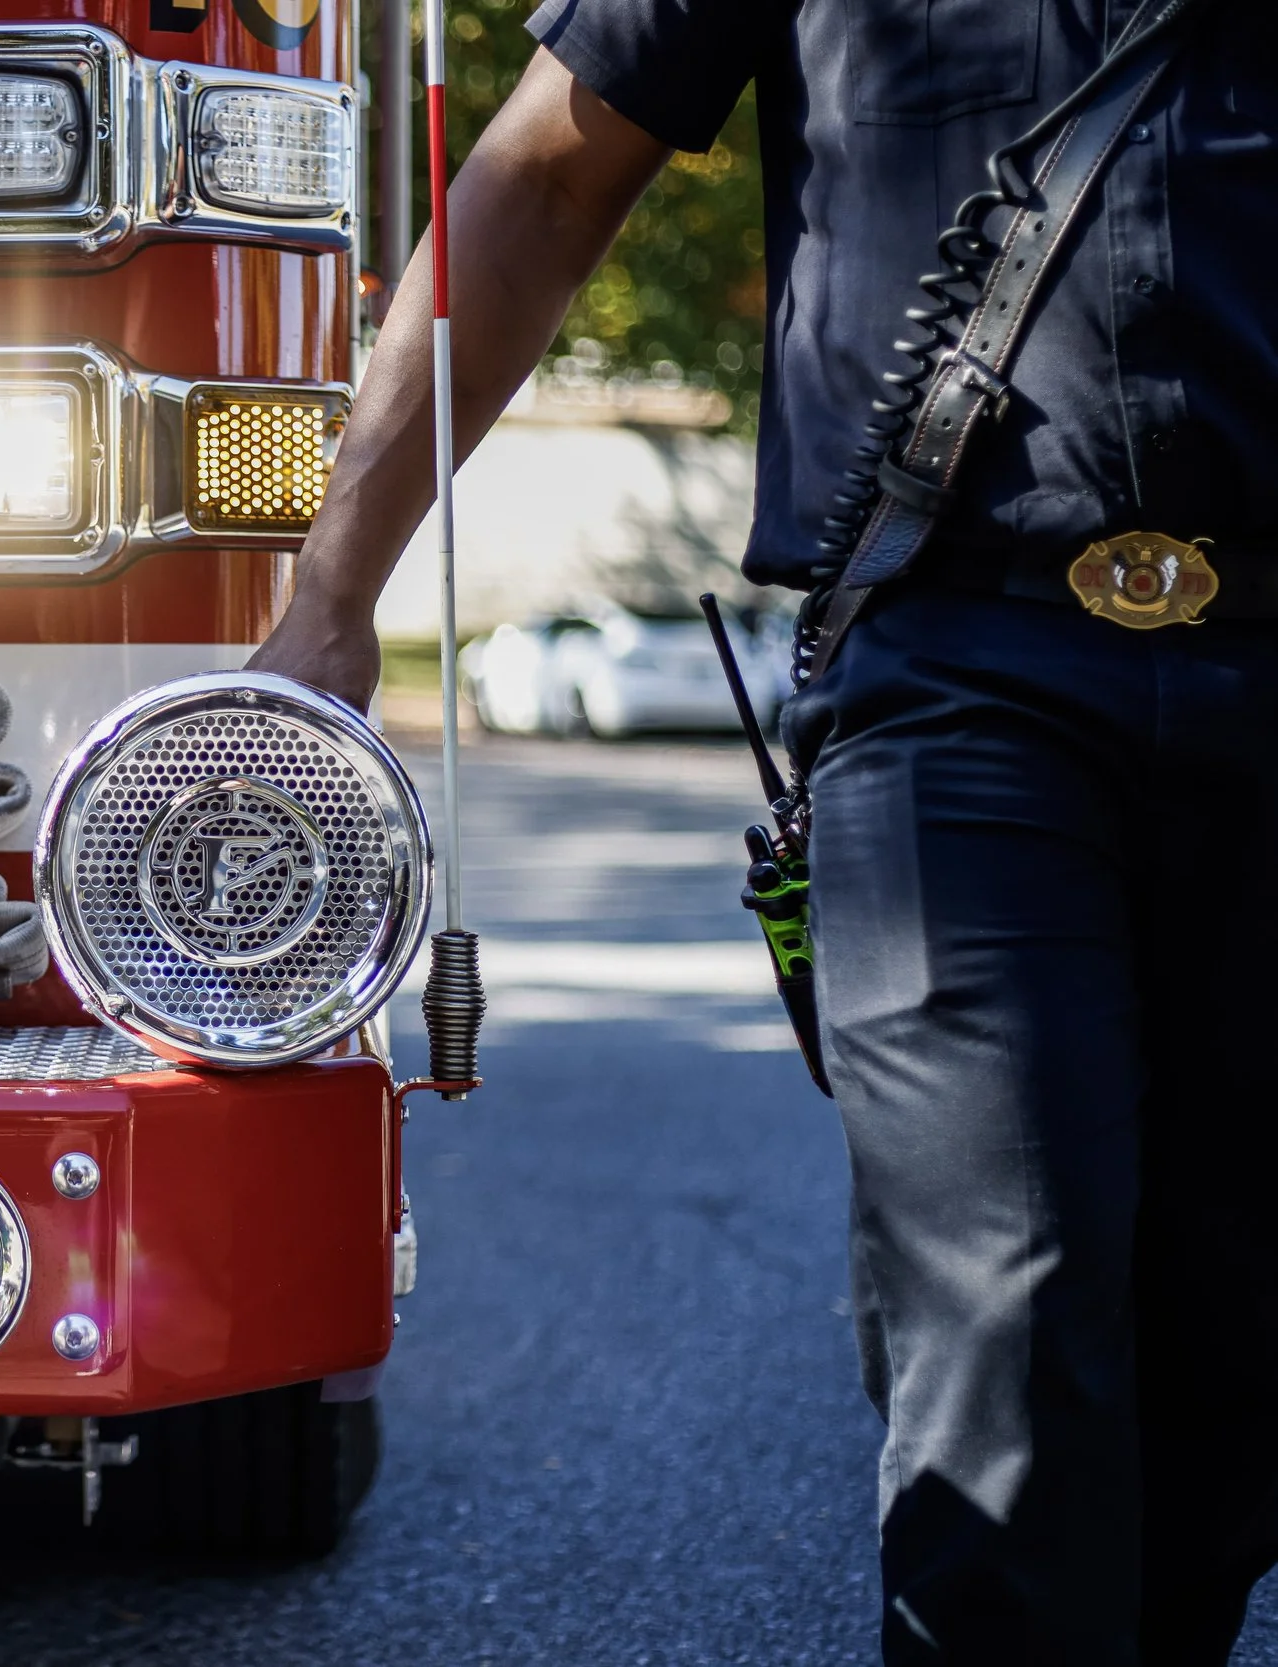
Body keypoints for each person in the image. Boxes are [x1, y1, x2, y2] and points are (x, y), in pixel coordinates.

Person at [250, 2, 1278, 1660]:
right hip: (960, 677)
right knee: (1005, 1323)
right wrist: (332, 591)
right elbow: (542, 179)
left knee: (1232, 1363)